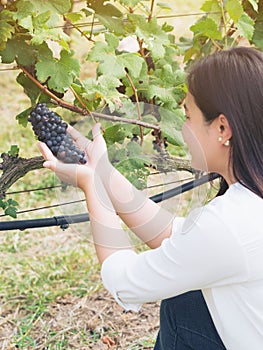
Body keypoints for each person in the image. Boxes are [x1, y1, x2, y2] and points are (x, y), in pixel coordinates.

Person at [38, 46, 263, 350]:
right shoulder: (247, 205)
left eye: (188, 117)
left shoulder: (230, 225)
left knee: (183, 299)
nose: (183, 130)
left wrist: (92, 187)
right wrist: (102, 170)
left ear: (222, 128)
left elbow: (123, 281)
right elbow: (178, 237)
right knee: (185, 296)